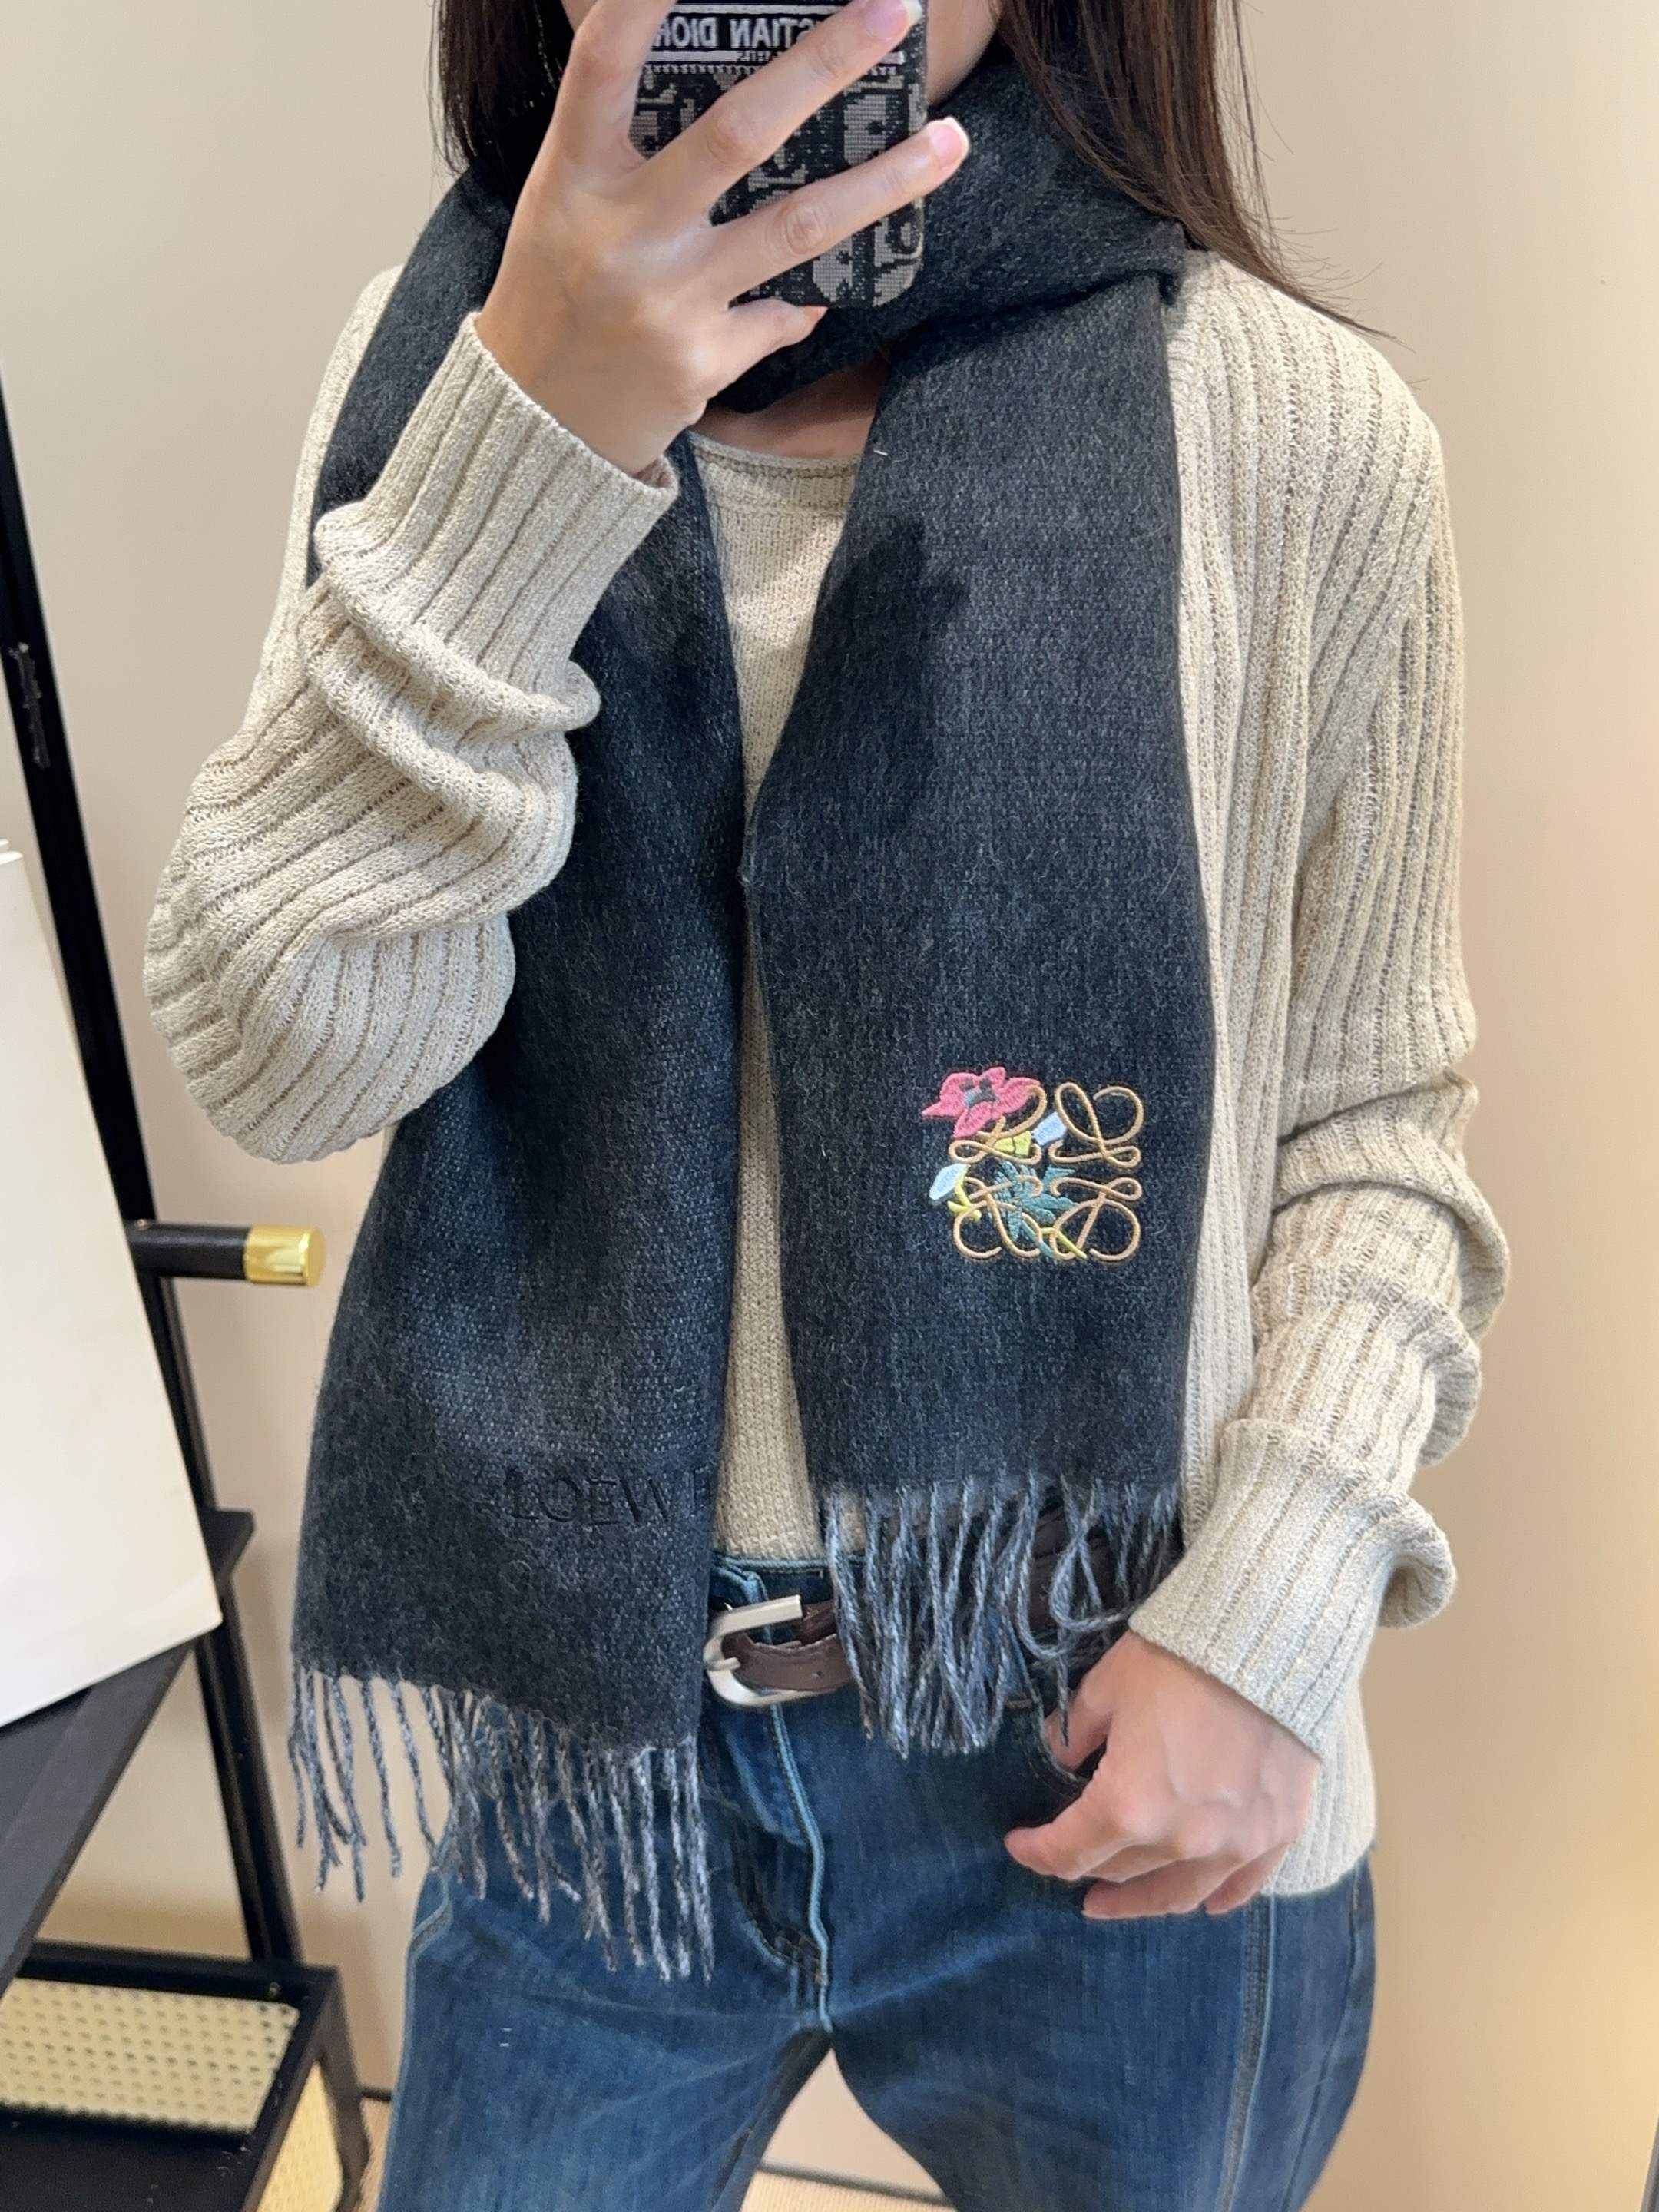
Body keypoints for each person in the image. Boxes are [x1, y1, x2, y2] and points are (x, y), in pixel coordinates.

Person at [143, 0, 1511, 2204]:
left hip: (1117, 1709)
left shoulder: (1290, 429)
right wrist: (531, 451)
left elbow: (1376, 1133)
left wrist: (1273, 1615)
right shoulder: (445, 384)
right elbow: (286, 1056)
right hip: (596, 1732)